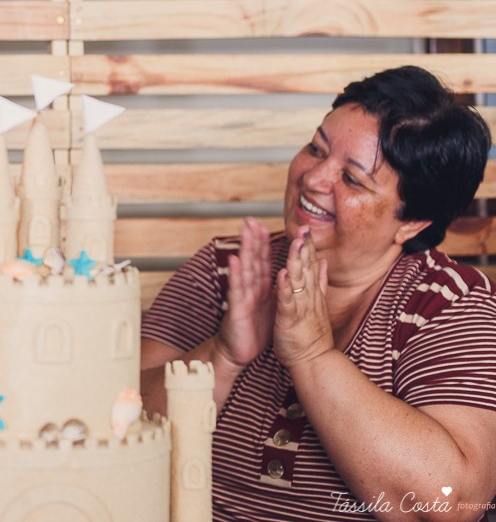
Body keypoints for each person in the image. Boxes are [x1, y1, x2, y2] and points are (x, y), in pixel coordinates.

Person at [139, 66, 496, 521]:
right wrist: (223, 356)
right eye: (315, 148)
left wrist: (311, 356)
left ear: (413, 222)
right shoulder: (225, 269)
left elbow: (451, 503)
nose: (312, 178)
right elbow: (115, 421)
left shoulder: (449, 304)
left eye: (352, 179)